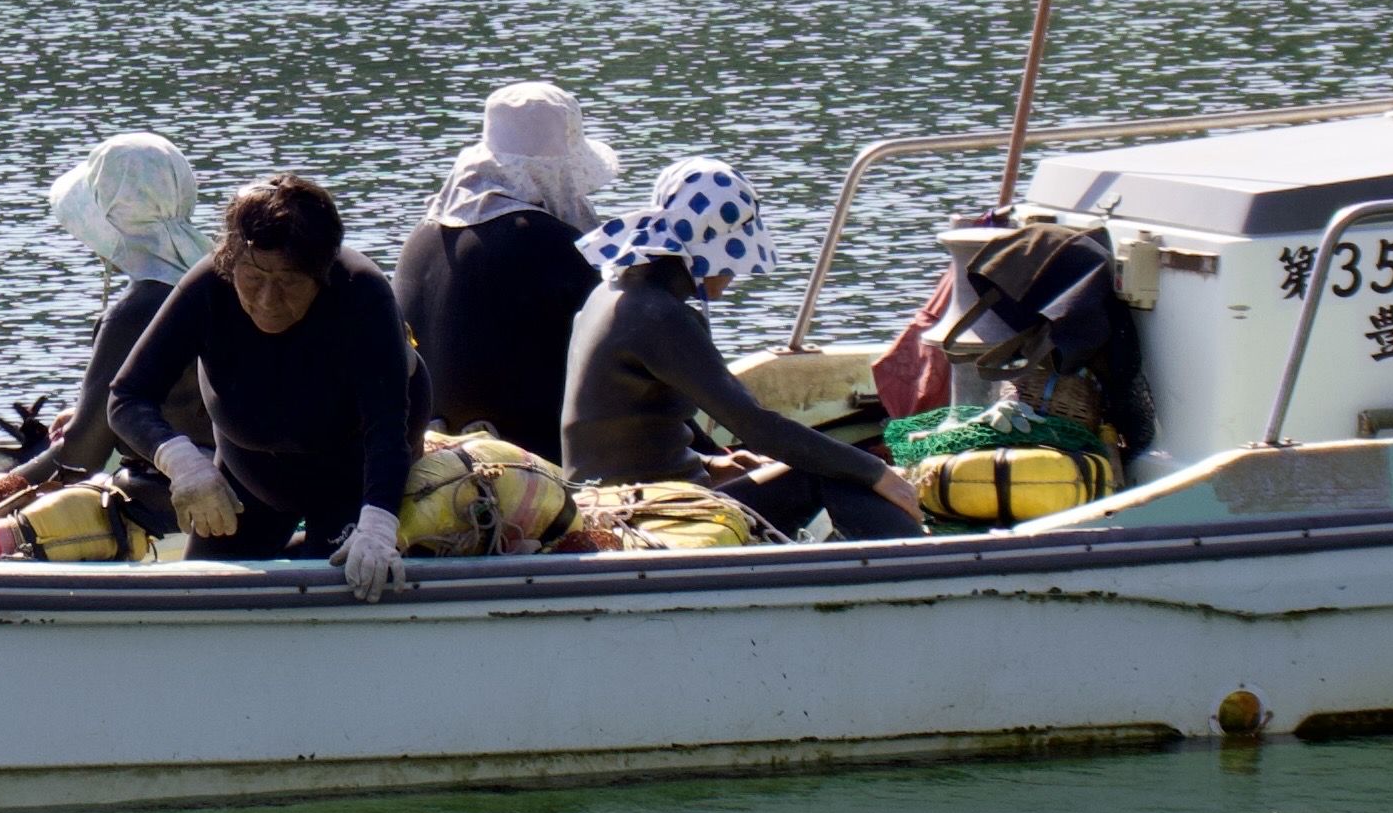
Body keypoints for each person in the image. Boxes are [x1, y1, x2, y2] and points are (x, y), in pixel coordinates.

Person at [562, 158, 922, 540]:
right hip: (647, 508)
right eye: (732, 260)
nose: (735, 273)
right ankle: (918, 559)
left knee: (824, 465)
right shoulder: (658, 315)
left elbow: (626, 426)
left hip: (615, 495)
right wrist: (876, 472)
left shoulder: (612, 295)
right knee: (826, 475)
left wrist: (711, 462)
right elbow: (759, 428)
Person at [106, 175, 424, 598]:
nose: (267, 300)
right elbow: (127, 397)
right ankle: (296, 547)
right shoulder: (208, 286)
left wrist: (380, 525)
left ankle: (316, 545)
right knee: (202, 595)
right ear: (230, 264)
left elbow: (387, 431)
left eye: (289, 281)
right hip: (247, 475)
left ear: (322, 272)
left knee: (339, 586)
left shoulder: (362, 293)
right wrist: (184, 464)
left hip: (352, 473)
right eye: (253, 277)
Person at [397, 81, 619, 447]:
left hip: (429, 447)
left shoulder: (422, 235)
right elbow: (626, 340)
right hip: (530, 453)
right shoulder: (554, 243)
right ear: (559, 165)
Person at [18, 131, 217, 493]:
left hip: (177, 494)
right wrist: (92, 415)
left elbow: (80, 458)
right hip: (240, 478)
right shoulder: (219, 280)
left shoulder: (134, 313)